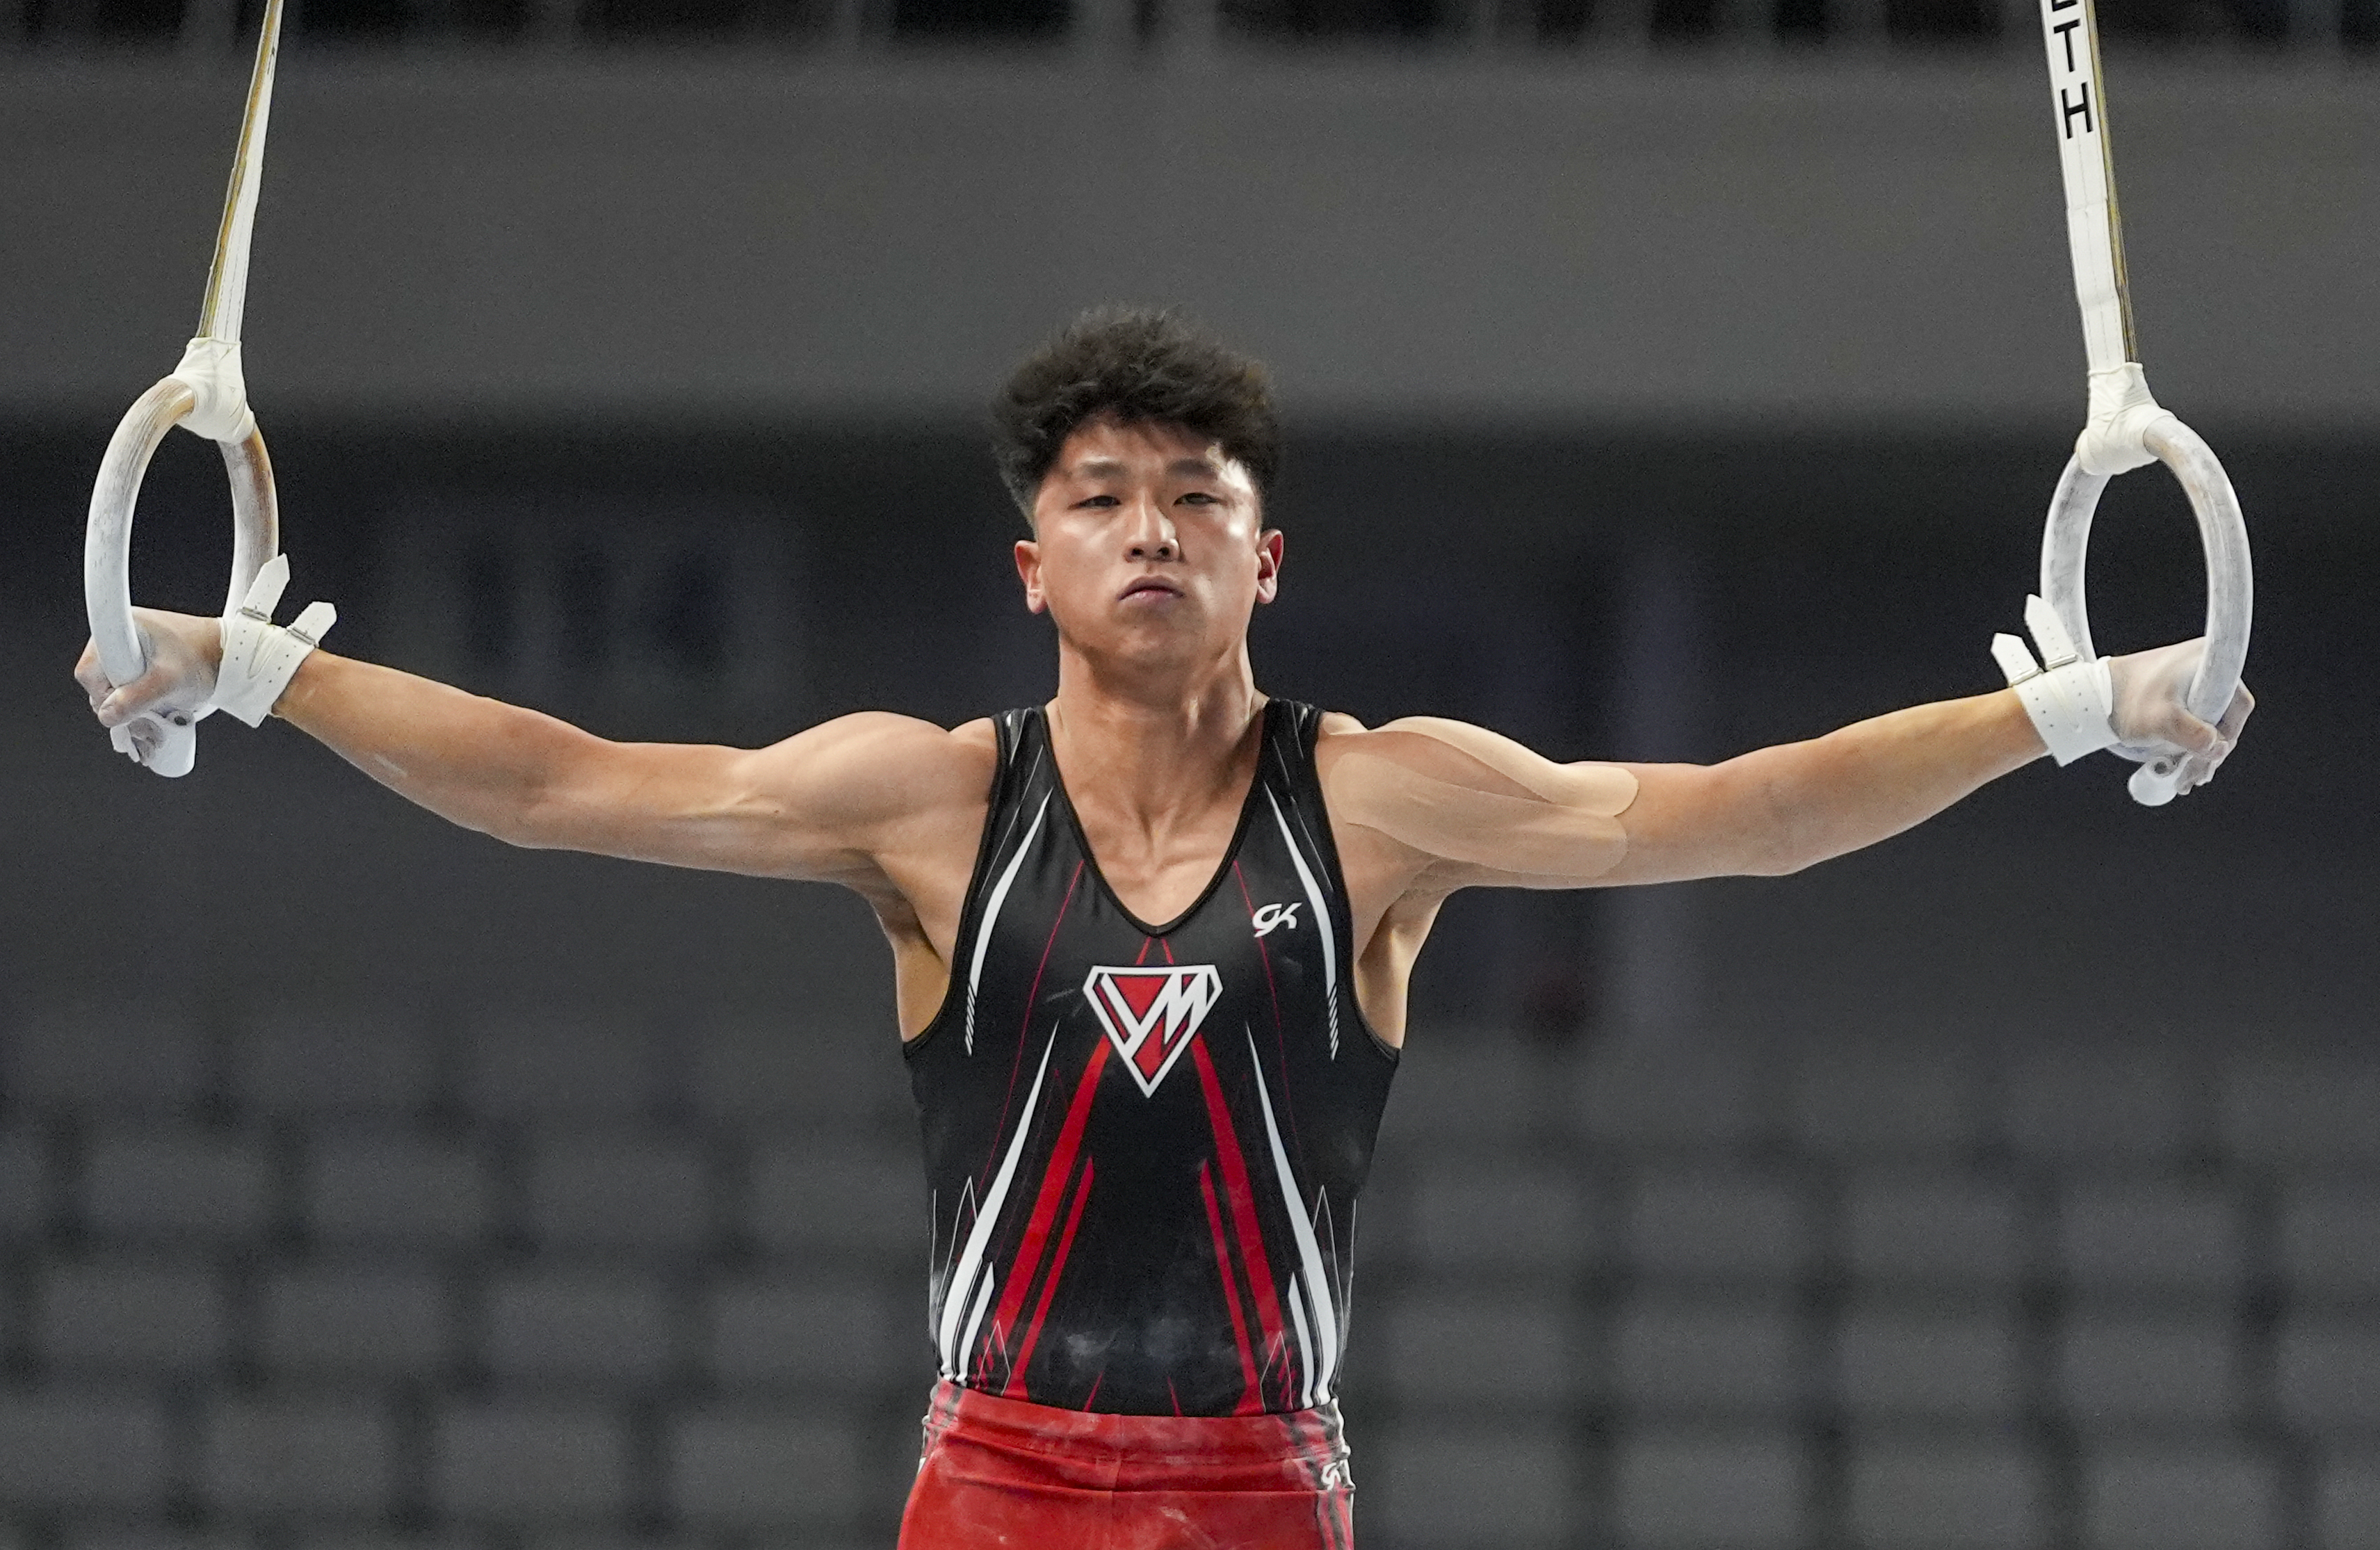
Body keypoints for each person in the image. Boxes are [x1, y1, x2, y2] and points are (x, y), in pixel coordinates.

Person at [76, 307, 2251, 1547]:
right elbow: (562, 784)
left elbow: (1730, 819)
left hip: (1262, 1485)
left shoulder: (1381, 803)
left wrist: (2061, 705)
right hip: (993, 1481)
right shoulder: (927, 804)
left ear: (1267, 557)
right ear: (1029, 563)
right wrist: (259, 666)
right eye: (1097, 500)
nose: (1147, 533)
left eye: (1192, 499)